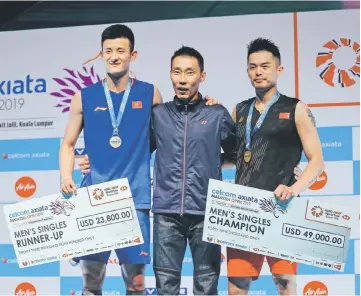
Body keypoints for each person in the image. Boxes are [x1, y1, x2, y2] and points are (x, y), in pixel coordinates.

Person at [80, 46, 236, 295]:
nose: (182, 79)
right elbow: (131, 151)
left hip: (206, 213)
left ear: (202, 76)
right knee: (165, 288)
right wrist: (94, 162)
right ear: (170, 75)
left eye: (189, 73)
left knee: (207, 287)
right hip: (166, 214)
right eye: (177, 72)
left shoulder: (216, 113)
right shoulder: (158, 114)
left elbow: (238, 155)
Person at [59, 24, 163, 295]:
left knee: (136, 285)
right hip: (94, 200)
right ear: (101, 54)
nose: (114, 56)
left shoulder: (150, 94)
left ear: (133, 55)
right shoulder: (83, 97)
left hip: (135, 199)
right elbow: (68, 144)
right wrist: (66, 177)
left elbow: (168, 138)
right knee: (91, 283)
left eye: (121, 50)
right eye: (109, 51)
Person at [227, 38, 324, 295]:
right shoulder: (239, 110)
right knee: (237, 288)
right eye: (253, 67)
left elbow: (317, 160)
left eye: (265, 66)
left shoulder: (296, 109)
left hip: (282, 208)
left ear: (279, 70)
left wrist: (295, 188)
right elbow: (234, 155)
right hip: (243, 211)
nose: (258, 72)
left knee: (285, 284)